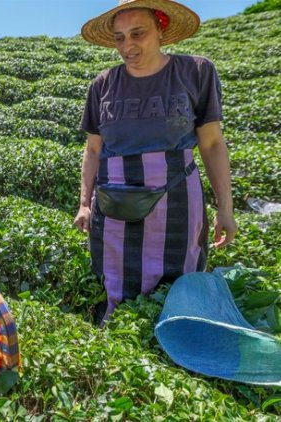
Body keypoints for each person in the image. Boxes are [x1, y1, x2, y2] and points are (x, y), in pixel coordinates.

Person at [74, 0, 238, 323]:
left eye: (138, 33)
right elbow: (93, 150)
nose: (127, 46)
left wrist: (226, 208)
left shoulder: (196, 72)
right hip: (114, 207)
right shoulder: (102, 86)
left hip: (175, 201)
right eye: (120, 37)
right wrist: (83, 203)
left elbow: (212, 143)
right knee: (115, 290)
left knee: (176, 287)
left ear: (161, 29)